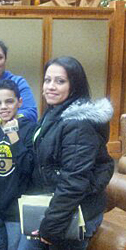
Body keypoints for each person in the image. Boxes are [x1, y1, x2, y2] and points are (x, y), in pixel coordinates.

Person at [28, 56, 114, 250]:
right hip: (59, 206)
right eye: (48, 80)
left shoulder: (77, 124)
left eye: (60, 81)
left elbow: (73, 182)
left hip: (76, 212)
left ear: (74, 86)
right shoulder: (54, 113)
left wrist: (51, 226)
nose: (50, 86)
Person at [0, 79, 36, 250]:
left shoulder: (29, 128)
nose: (3, 106)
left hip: (16, 208)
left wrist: (14, 137)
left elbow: (29, 166)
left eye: (9, 101)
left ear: (19, 102)